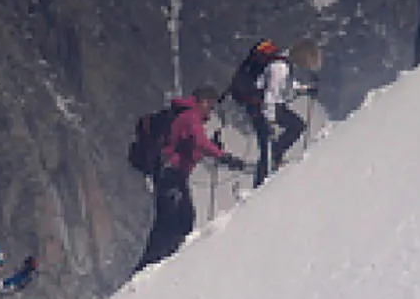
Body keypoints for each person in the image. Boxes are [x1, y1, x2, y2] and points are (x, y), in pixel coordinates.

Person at [135, 86, 247, 272]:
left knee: (176, 219)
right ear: (203, 101)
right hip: (171, 173)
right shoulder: (191, 117)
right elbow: (200, 142)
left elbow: (192, 146)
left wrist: (214, 152)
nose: (210, 112)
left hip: (171, 174)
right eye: (210, 106)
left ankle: (158, 262)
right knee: (173, 220)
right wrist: (223, 156)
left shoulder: (187, 116)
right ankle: (150, 266)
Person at [249, 41, 320, 186]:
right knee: (267, 147)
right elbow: (271, 94)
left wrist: (305, 89)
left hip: (271, 107)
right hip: (263, 108)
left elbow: (286, 87)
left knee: (296, 126)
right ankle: (261, 181)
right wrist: (269, 122)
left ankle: (275, 156)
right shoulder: (280, 67)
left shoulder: (285, 64)